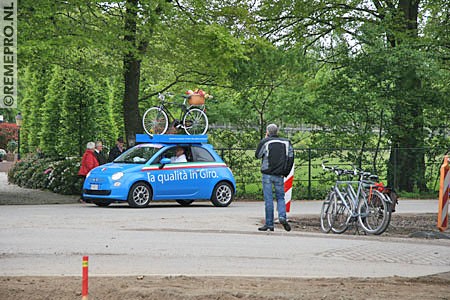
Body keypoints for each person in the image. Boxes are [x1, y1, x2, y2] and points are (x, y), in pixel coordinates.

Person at [255, 124, 294, 232]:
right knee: (281, 197)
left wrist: (265, 139)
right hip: (280, 175)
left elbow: (257, 155)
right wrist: (285, 172)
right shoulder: (286, 142)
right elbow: (291, 158)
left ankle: (269, 224)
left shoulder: (265, 142)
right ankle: (282, 216)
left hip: (267, 174)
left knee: (269, 200)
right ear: (277, 131)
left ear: (267, 132)